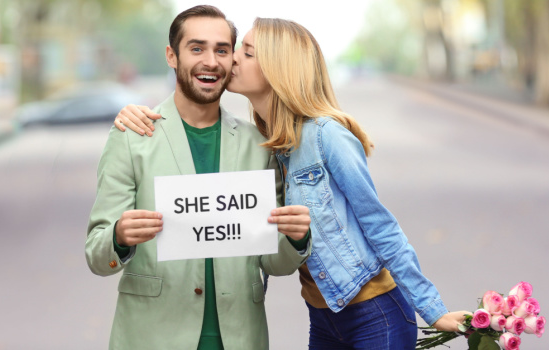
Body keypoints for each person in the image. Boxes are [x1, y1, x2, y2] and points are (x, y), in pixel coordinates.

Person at [115, 17, 470, 350]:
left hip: (374, 313)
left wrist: (432, 309)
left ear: (277, 68)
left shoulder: (327, 135)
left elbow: (380, 224)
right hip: (323, 314)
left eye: (246, 52)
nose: (231, 59)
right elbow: (249, 237)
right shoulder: (266, 144)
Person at [86, 6, 313, 350]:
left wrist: (296, 240)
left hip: (240, 338)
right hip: (152, 337)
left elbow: (272, 262)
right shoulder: (131, 136)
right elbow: (97, 256)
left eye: (222, 50)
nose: (211, 61)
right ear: (172, 56)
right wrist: (119, 236)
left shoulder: (258, 144)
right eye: (196, 48)